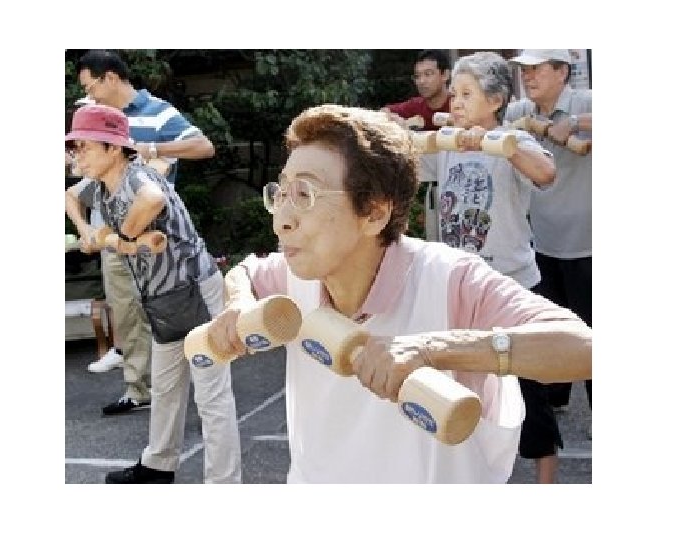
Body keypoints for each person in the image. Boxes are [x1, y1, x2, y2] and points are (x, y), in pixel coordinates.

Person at [206, 103, 591, 483]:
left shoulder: (449, 279)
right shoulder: (296, 272)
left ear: (374, 213)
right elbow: (246, 272)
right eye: (281, 192)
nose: (281, 220)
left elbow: (582, 347)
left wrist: (431, 349)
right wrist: (239, 303)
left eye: (304, 194)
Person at [65, 104, 241, 483]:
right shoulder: (100, 185)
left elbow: (152, 199)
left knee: (211, 395)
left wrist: (122, 236)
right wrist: (86, 231)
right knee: (165, 387)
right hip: (161, 298)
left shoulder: (136, 175)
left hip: (193, 290)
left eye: (84, 146)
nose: (77, 155)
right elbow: (69, 196)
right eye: (75, 148)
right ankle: (158, 465)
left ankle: (224, 484)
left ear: (114, 147)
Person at [418, 51, 563, 483]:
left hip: (511, 287)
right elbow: (406, 162)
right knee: (465, 389)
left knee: (529, 392)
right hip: (460, 286)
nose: (456, 102)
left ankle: (546, 482)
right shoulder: (447, 144)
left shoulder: (512, 141)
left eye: (467, 94)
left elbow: (546, 172)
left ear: (496, 100)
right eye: (455, 95)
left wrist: (494, 143)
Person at [74, 49, 215, 416]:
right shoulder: (95, 116)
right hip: (113, 231)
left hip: (155, 234)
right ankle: (139, 388)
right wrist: (97, 232)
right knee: (126, 311)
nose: (90, 95)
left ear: (110, 77)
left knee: (169, 312)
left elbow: (204, 147)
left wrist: (151, 147)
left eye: (91, 87)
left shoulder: (158, 112)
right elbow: (76, 189)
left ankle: (193, 388)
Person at [505, 49, 592, 433]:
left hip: (589, 244)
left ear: (562, 72)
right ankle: (556, 397)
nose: (528, 76)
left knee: (592, 330)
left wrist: (572, 122)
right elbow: (485, 119)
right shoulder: (519, 111)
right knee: (551, 326)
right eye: (524, 69)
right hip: (541, 244)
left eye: (536, 68)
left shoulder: (585, 101)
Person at [381, 49, 452, 131]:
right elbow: (383, 112)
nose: (421, 81)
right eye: (417, 76)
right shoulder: (416, 106)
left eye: (428, 74)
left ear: (445, 75)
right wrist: (395, 119)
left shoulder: (457, 104)